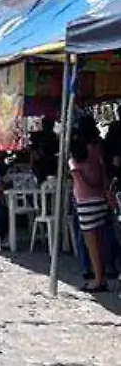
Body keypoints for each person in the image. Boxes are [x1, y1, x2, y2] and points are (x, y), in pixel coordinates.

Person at [69, 118, 112, 292]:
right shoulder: (97, 149)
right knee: (100, 240)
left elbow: (77, 176)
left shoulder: (77, 152)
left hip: (85, 199)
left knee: (91, 242)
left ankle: (98, 278)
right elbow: (103, 172)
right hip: (100, 197)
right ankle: (101, 275)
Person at [30, 118, 61, 184]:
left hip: (46, 159)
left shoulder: (38, 135)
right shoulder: (52, 135)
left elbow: (33, 150)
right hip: (49, 159)